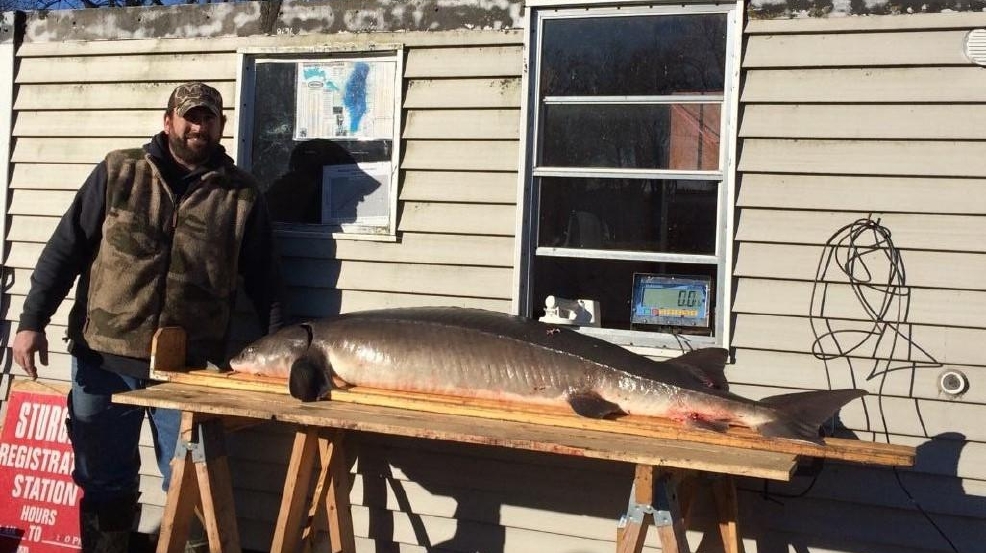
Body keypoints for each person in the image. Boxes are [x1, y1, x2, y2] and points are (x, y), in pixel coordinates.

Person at [11, 82, 283, 552]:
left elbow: (265, 279)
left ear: (221, 125)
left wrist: (281, 348)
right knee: (103, 482)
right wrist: (32, 321)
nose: (199, 127)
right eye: (190, 117)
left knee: (192, 487)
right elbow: (66, 249)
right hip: (104, 359)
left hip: (189, 370)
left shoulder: (240, 194)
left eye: (209, 118)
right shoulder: (120, 171)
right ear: (168, 121)